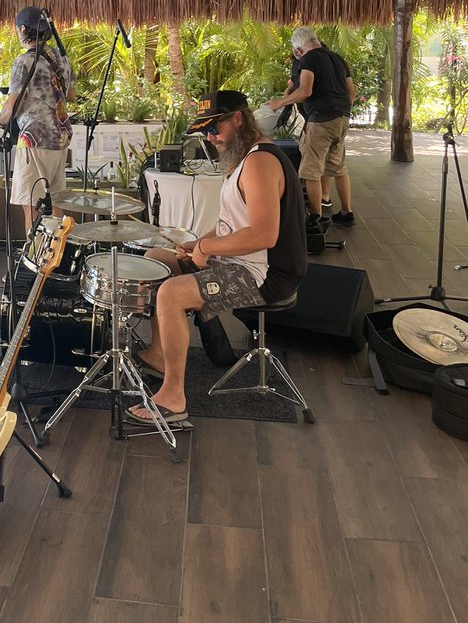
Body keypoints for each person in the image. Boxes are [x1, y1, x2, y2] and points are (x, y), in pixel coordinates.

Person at [129, 90, 306, 425]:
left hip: (266, 275)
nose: (211, 138)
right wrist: (196, 243)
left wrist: (206, 250)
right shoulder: (247, 158)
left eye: (215, 129)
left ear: (238, 119)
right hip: (245, 261)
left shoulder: (260, 162)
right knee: (156, 260)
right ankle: (159, 355)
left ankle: (173, 398)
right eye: (206, 132)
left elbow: (263, 235)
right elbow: (234, 226)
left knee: (171, 293)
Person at [0, 6, 76, 232]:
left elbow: (13, 104)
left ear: (24, 29)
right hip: (60, 137)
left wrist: (0, 121)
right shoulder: (60, 58)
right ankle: (57, 254)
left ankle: (36, 256)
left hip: (34, 139)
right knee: (55, 201)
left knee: (31, 201)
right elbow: (71, 96)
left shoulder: (25, 61)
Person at [268, 27, 356, 226]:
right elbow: (351, 92)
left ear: (298, 49)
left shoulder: (308, 60)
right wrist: (340, 109)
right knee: (338, 167)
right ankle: (346, 212)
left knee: (310, 171)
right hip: (341, 118)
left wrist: (279, 103)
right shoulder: (337, 58)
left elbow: (305, 91)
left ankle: (315, 219)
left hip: (321, 120)